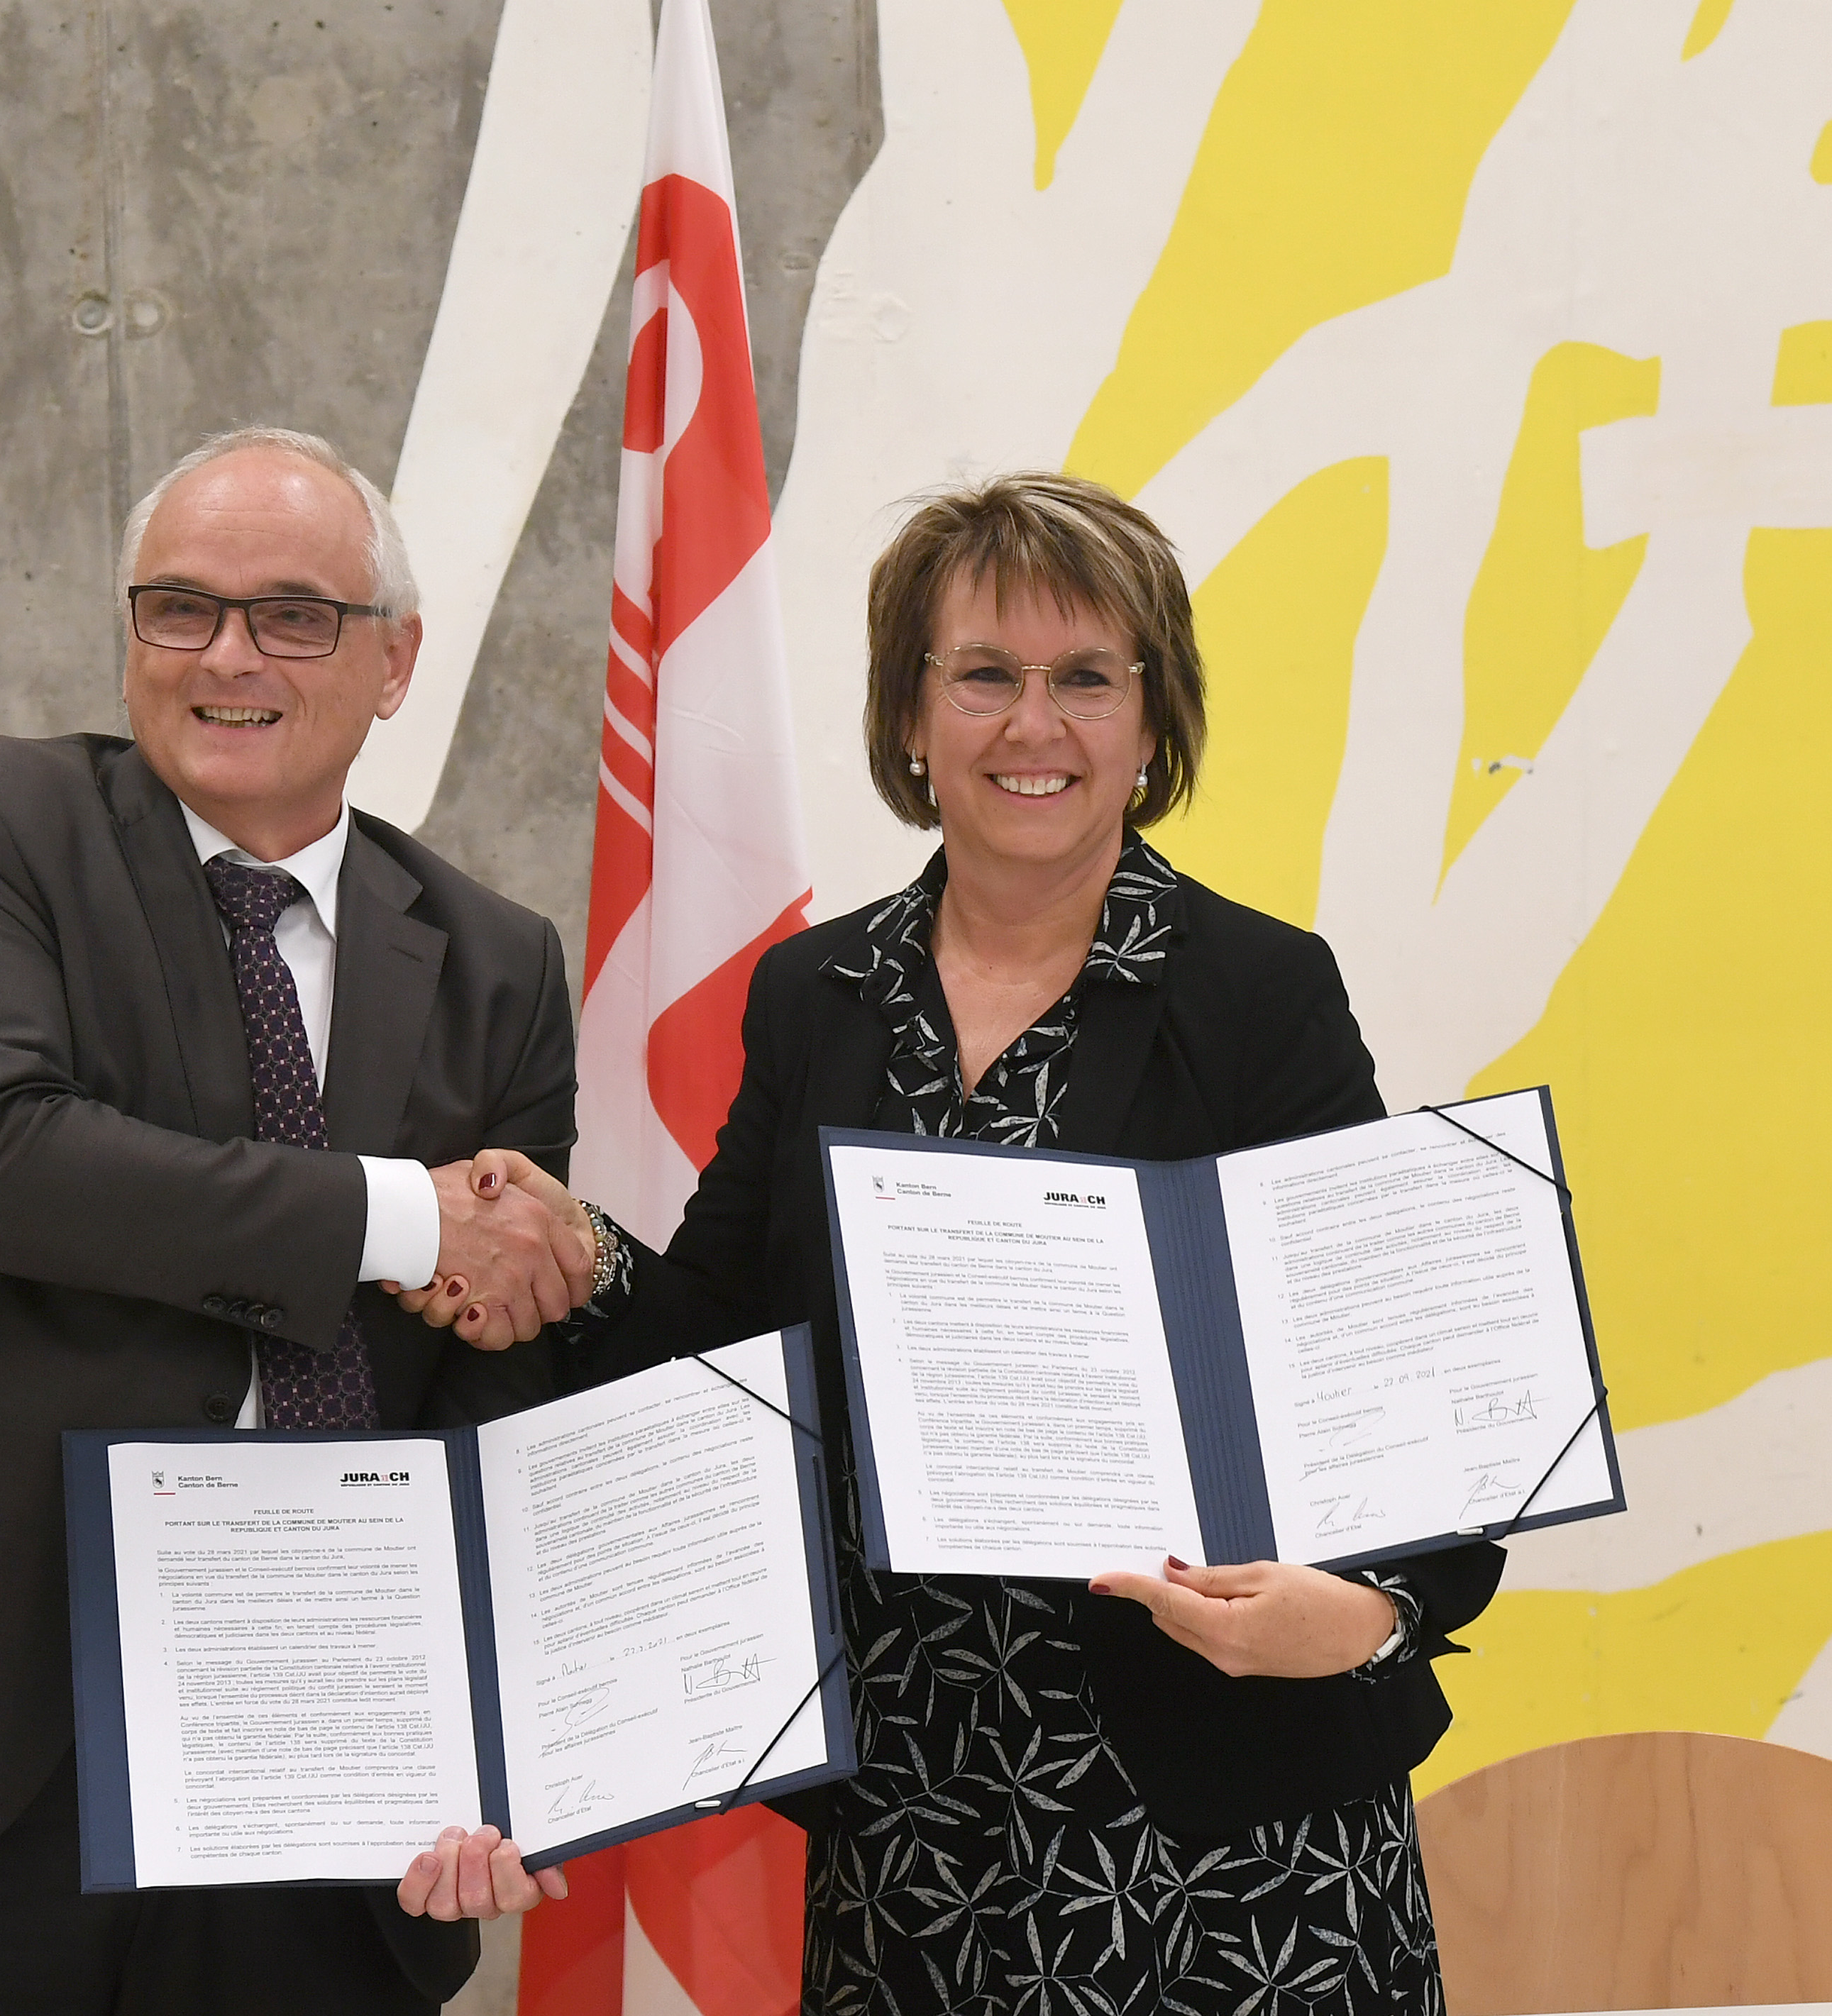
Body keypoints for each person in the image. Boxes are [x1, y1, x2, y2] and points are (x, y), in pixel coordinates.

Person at [413, 472, 1505, 2011]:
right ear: (911, 715)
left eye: (1084, 678)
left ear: (1151, 719)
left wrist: (1378, 1610)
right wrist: (578, 1251)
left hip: (1214, 1821)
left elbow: (1384, 1383)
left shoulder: (1256, 992)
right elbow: (723, 1339)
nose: (1032, 726)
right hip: (915, 1815)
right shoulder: (815, 994)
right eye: (984, 673)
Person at [0, 426, 587, 2015]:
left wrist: (500, 1734)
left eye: (293, 613)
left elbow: (488, 1364)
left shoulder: (495, 959)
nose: (228, 654)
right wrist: (396, 1214)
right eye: (180, 608)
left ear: (394, 661)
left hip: (317, 1782)